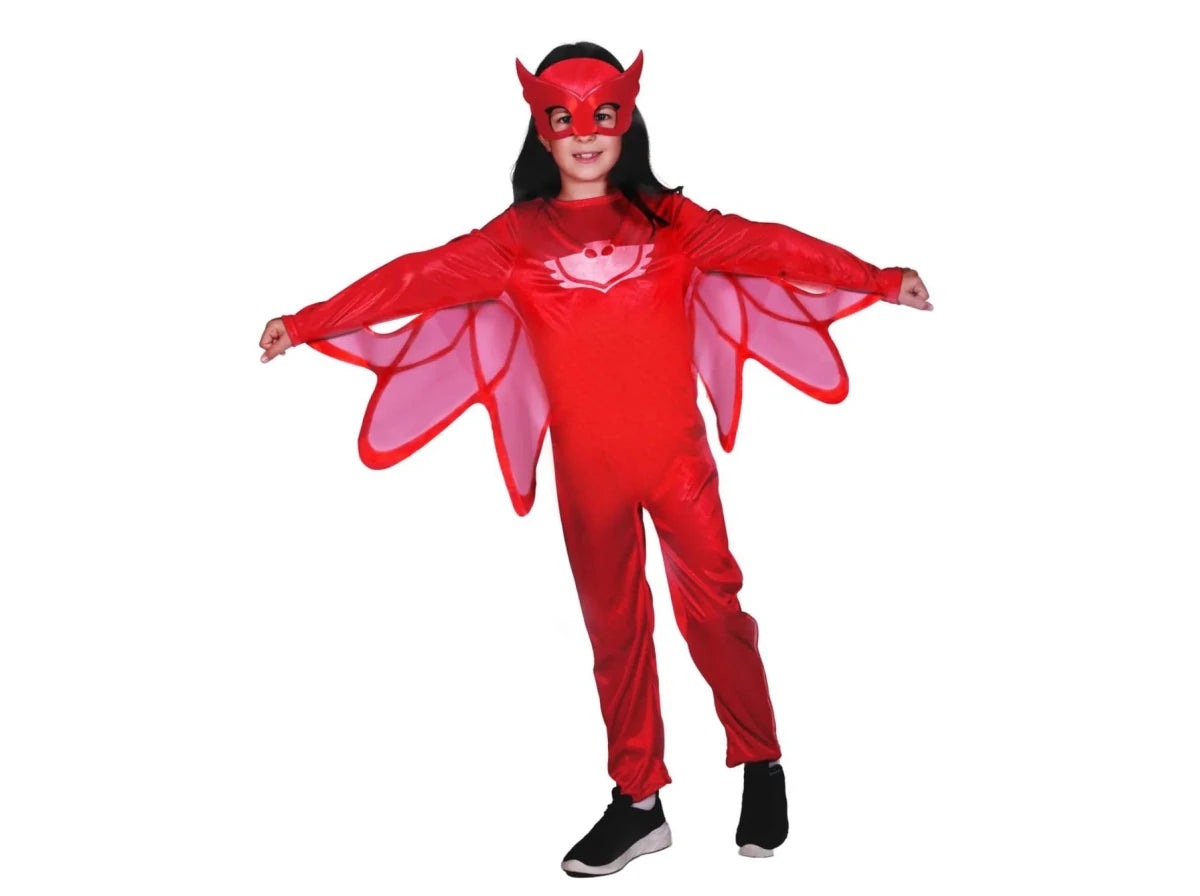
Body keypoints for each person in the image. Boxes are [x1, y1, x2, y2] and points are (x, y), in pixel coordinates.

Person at [258, 42, 931, 878]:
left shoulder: (674, 223)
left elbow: (772, 248)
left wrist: (878, 277)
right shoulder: (512, 240)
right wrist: (309, 322)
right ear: (541, 130)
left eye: (602, 114)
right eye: (564, 117)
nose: (584, 133)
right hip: (588, 478)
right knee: (616, 632)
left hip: (677, 466)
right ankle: (639, 802)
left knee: (714, 614)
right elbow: (412, 280)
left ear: (627, 118)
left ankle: (761, 763)